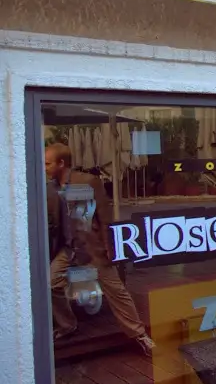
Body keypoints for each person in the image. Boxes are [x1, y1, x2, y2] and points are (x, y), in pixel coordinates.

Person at [45, 143, 156, 356]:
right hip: (68, 248)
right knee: (51, 284)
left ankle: (140, 335)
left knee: (116, 291)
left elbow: (105, 218)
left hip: (92, 247)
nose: (44, 167)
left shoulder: (86, 182)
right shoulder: (51, 188)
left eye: (48, 163)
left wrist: (110, 248)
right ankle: (67, 325)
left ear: (61, 163)